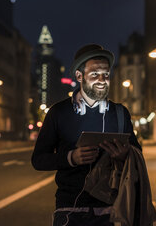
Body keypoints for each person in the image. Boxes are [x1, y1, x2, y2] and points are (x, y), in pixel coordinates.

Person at [31, 44, 144, 226]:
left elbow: (137, 154)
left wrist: (123, 156)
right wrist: (71, 158)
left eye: (106, 74)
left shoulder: (120, 113)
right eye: (94, 74)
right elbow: (38, 159)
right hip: (69, 212)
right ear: (79, 75)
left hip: (111, 211)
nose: (102, 80)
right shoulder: (58, 112)